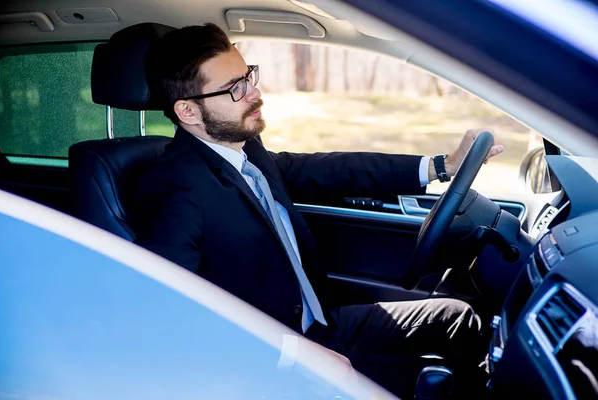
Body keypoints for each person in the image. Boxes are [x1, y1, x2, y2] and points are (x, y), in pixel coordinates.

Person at [133, 23, 504, 397]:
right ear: (188, 111)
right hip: (271, 357)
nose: (255, 93)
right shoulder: (174, 184)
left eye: (248, 77)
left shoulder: (245, 149)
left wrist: (442, 166)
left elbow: (332, 170)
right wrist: (295, 354)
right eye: (235, 88)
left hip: (321, 324)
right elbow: (173, 311)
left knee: (458, 319)